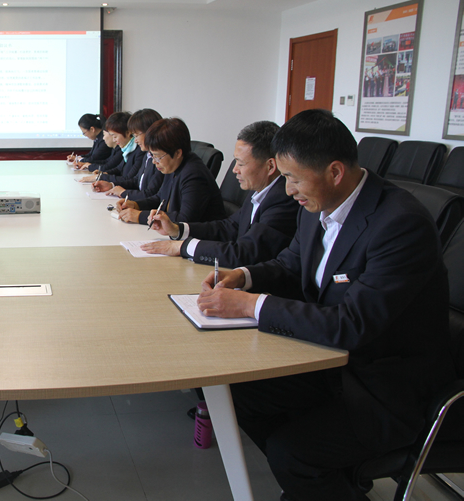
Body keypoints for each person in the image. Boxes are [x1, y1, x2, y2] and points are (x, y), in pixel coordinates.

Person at [195, 109, 454, 501]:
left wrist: (249, 305)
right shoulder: (317, 206)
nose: (287, 191)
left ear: (334, 172)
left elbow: (351, 324)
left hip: (385, 387)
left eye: (293, 178)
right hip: (329, 363)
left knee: (292, 453)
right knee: (234, 394)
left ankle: (313, 478)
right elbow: (290, 264)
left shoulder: (400, 224)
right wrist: (243, 276)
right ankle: (321, 484)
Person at [143, 120, 299, 267]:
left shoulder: (283, 199)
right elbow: (229, 227)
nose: (234, 170)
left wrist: (183, 246)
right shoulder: (260, 190)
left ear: (270, 166)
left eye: (241, 163)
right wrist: (177, 230)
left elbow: (246, 253)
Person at [116, 117, 225, 225]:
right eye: (152, 156)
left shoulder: (194, 175)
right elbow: (160, 198)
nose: (154, 161)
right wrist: (136, 205)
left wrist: (139, 216)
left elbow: (185, 219)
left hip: (201, 235)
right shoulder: (173, 165)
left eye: (158, 156)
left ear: (178, 153)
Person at [92, 108, 163, 201]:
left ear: (151, 133)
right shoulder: (148, 155)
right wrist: (111, 185)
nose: (135, 140)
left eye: (136, 135)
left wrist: (123, 193)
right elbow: (136, 181)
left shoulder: (157, 158)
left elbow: (151, 193)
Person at [88, 111, 145, 188]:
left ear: (128, 133)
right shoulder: (127, 149)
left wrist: (101, 177)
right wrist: (104, 173)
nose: (114, 140)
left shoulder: (139, 151)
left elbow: (128, 178)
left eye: (115, 136)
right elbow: (119, 168)